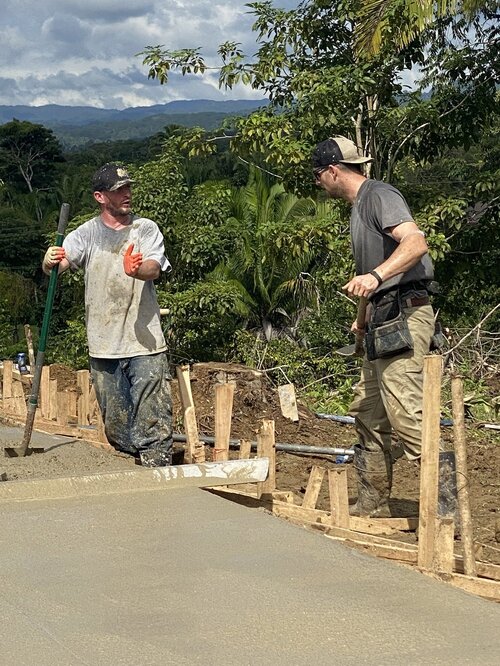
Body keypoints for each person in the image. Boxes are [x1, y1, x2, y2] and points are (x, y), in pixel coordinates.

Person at [312, 136, 436, 517]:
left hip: (405, 315)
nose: (317, 183)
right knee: (368, 413)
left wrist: (377, 277)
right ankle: (373, 502)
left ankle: (445, 508)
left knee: (407, 414)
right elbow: (369, 276)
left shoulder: (380, 195)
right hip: (381, 319)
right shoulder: (358, 209)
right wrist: (362, 316)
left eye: (318, 175)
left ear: (334, 171)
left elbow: (416, 242)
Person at [43, 163, 173, 467]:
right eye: (119, 190)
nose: (127, 194)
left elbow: (154, 267)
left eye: (128, 187)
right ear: (100, 197)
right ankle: (132, 469)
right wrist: (49, 261)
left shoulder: (145, 228)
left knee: (153, 421)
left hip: (145, 343)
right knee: (116, 425)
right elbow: (60, 265)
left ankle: (158, 473)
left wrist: (136, 270)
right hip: (104, 344)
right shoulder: (86, 234)